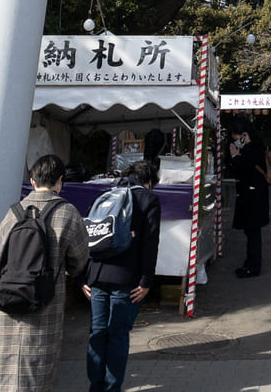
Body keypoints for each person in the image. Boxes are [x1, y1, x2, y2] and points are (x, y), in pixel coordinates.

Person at [0, 153, 89, 392]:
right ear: (60, 181)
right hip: (45, 303)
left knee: (4, 369)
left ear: (32, 181)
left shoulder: (12, 213)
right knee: (36, 370)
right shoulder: (67, 213)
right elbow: (79, 260)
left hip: (9, 299)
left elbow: (1, 251)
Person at [82, 159, 161, 392]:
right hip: (127, 278)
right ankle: (111, 388)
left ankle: (95, 386)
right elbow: (150, 243)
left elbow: (90, 236)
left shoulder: (106, 196)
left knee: (97, 332)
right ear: (149, 181)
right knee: (117, 334)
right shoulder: (149, 199)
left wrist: (84, 276)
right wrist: (147, 280)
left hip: (97, 274)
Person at [228, 118, 269, 278]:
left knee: (253, 233)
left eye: (236, 138)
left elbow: (243, 170)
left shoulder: (253, 149)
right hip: (253, 196)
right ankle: (250, 263)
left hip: (253, 197)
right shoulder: (255, 147)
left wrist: (235, 157)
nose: (236, 142)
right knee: (251, 232)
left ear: (244, 135)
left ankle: (253, 266)